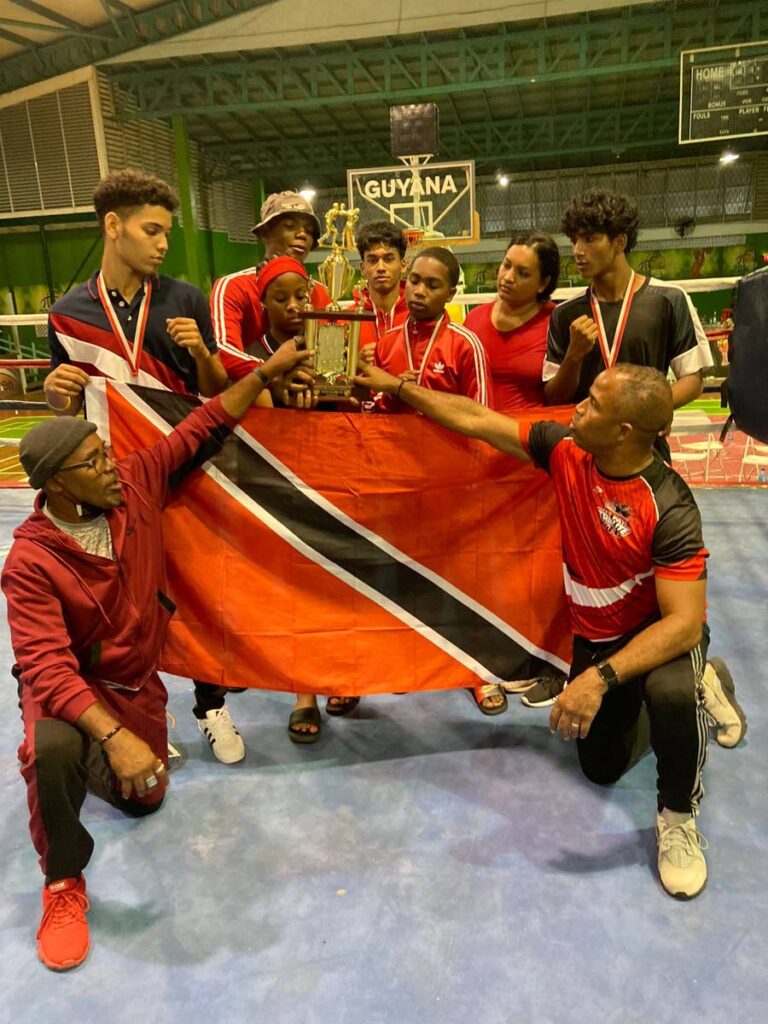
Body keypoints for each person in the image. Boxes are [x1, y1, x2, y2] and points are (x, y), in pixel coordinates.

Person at [355, 358, 746, 899]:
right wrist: (398, 386)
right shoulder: (565, 450)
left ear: (623, 432)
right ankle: (689, 693)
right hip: (599, 639)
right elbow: (474, 419)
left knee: (671, 691)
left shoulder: (671, 505)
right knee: (601, 769)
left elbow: (682, 623)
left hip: (663, 640)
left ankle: (679, 815)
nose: (578, 408)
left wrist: (598, 679)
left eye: (592, 405)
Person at [2, 340, 313, 971]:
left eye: (107, 453)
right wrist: (112, 737)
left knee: (146, 799)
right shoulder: (30, 562)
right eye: (94, 463)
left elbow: (201, 424)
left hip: (134, 685)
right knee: (57, 743)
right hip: (72, 691)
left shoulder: (134, 484)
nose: (112, 466)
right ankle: (63, 883)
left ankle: (72, 761)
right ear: (59, 484)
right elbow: (46, 667)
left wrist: (266, 376)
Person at [41, 168, 259, 765]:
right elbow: (61, 404)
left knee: (194, 590)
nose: (163, 243)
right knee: (126, 599)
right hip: (110, 483)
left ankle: (210, 703)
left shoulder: (184, 299)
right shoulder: (67, 312)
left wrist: (202, 354)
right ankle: (137, 707)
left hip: (182, 472)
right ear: (114, 227)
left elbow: (215, 392)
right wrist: (53, 393)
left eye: (166, 232)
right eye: (153, 230)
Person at [525, 189, 714, 709]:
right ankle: (574, 663)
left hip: (645, 461)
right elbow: (554, 395)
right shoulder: (567, 316)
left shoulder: (667, 301)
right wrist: (577, 357)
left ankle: (686, 669)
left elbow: (695, 377)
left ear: (619, 242)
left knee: (664, 573)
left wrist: (640, 419)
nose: (579, 250)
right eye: (575, 240)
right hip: (583, 462)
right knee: (581, 567)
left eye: (589, 239)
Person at [210, 190, 331, 380]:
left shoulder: (321, 292)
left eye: (308, 230)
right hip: (252, 398)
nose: (302, 234)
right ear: (265, 233)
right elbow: (223, 351)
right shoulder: (233, 286)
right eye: (290, 226)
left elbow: (329, 355)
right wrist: (273, 374)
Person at [373, 246, 492, 410]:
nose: (420, 291)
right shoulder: (386, 343)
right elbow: (371, 408)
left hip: (448, 436)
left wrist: (412, 393)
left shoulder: (466, 346)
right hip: (395, 435)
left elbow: (483, 416)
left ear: (450, 294)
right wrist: (393, 393)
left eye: (433, 285)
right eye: (414, 281)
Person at [464, 232, 559, 413]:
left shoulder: (556, 322)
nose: (508, 277)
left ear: (543, 283)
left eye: (522, 273)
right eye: (506, 265)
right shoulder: (473, 319)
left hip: (528, 435)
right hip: (477, 433)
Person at [353, 220, 409, 353]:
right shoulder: (347, 319)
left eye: (388, 259)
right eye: (372, 260)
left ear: (403, 265)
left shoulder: (418, 316)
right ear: (363, 267)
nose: (380, 268)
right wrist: (356, 364)